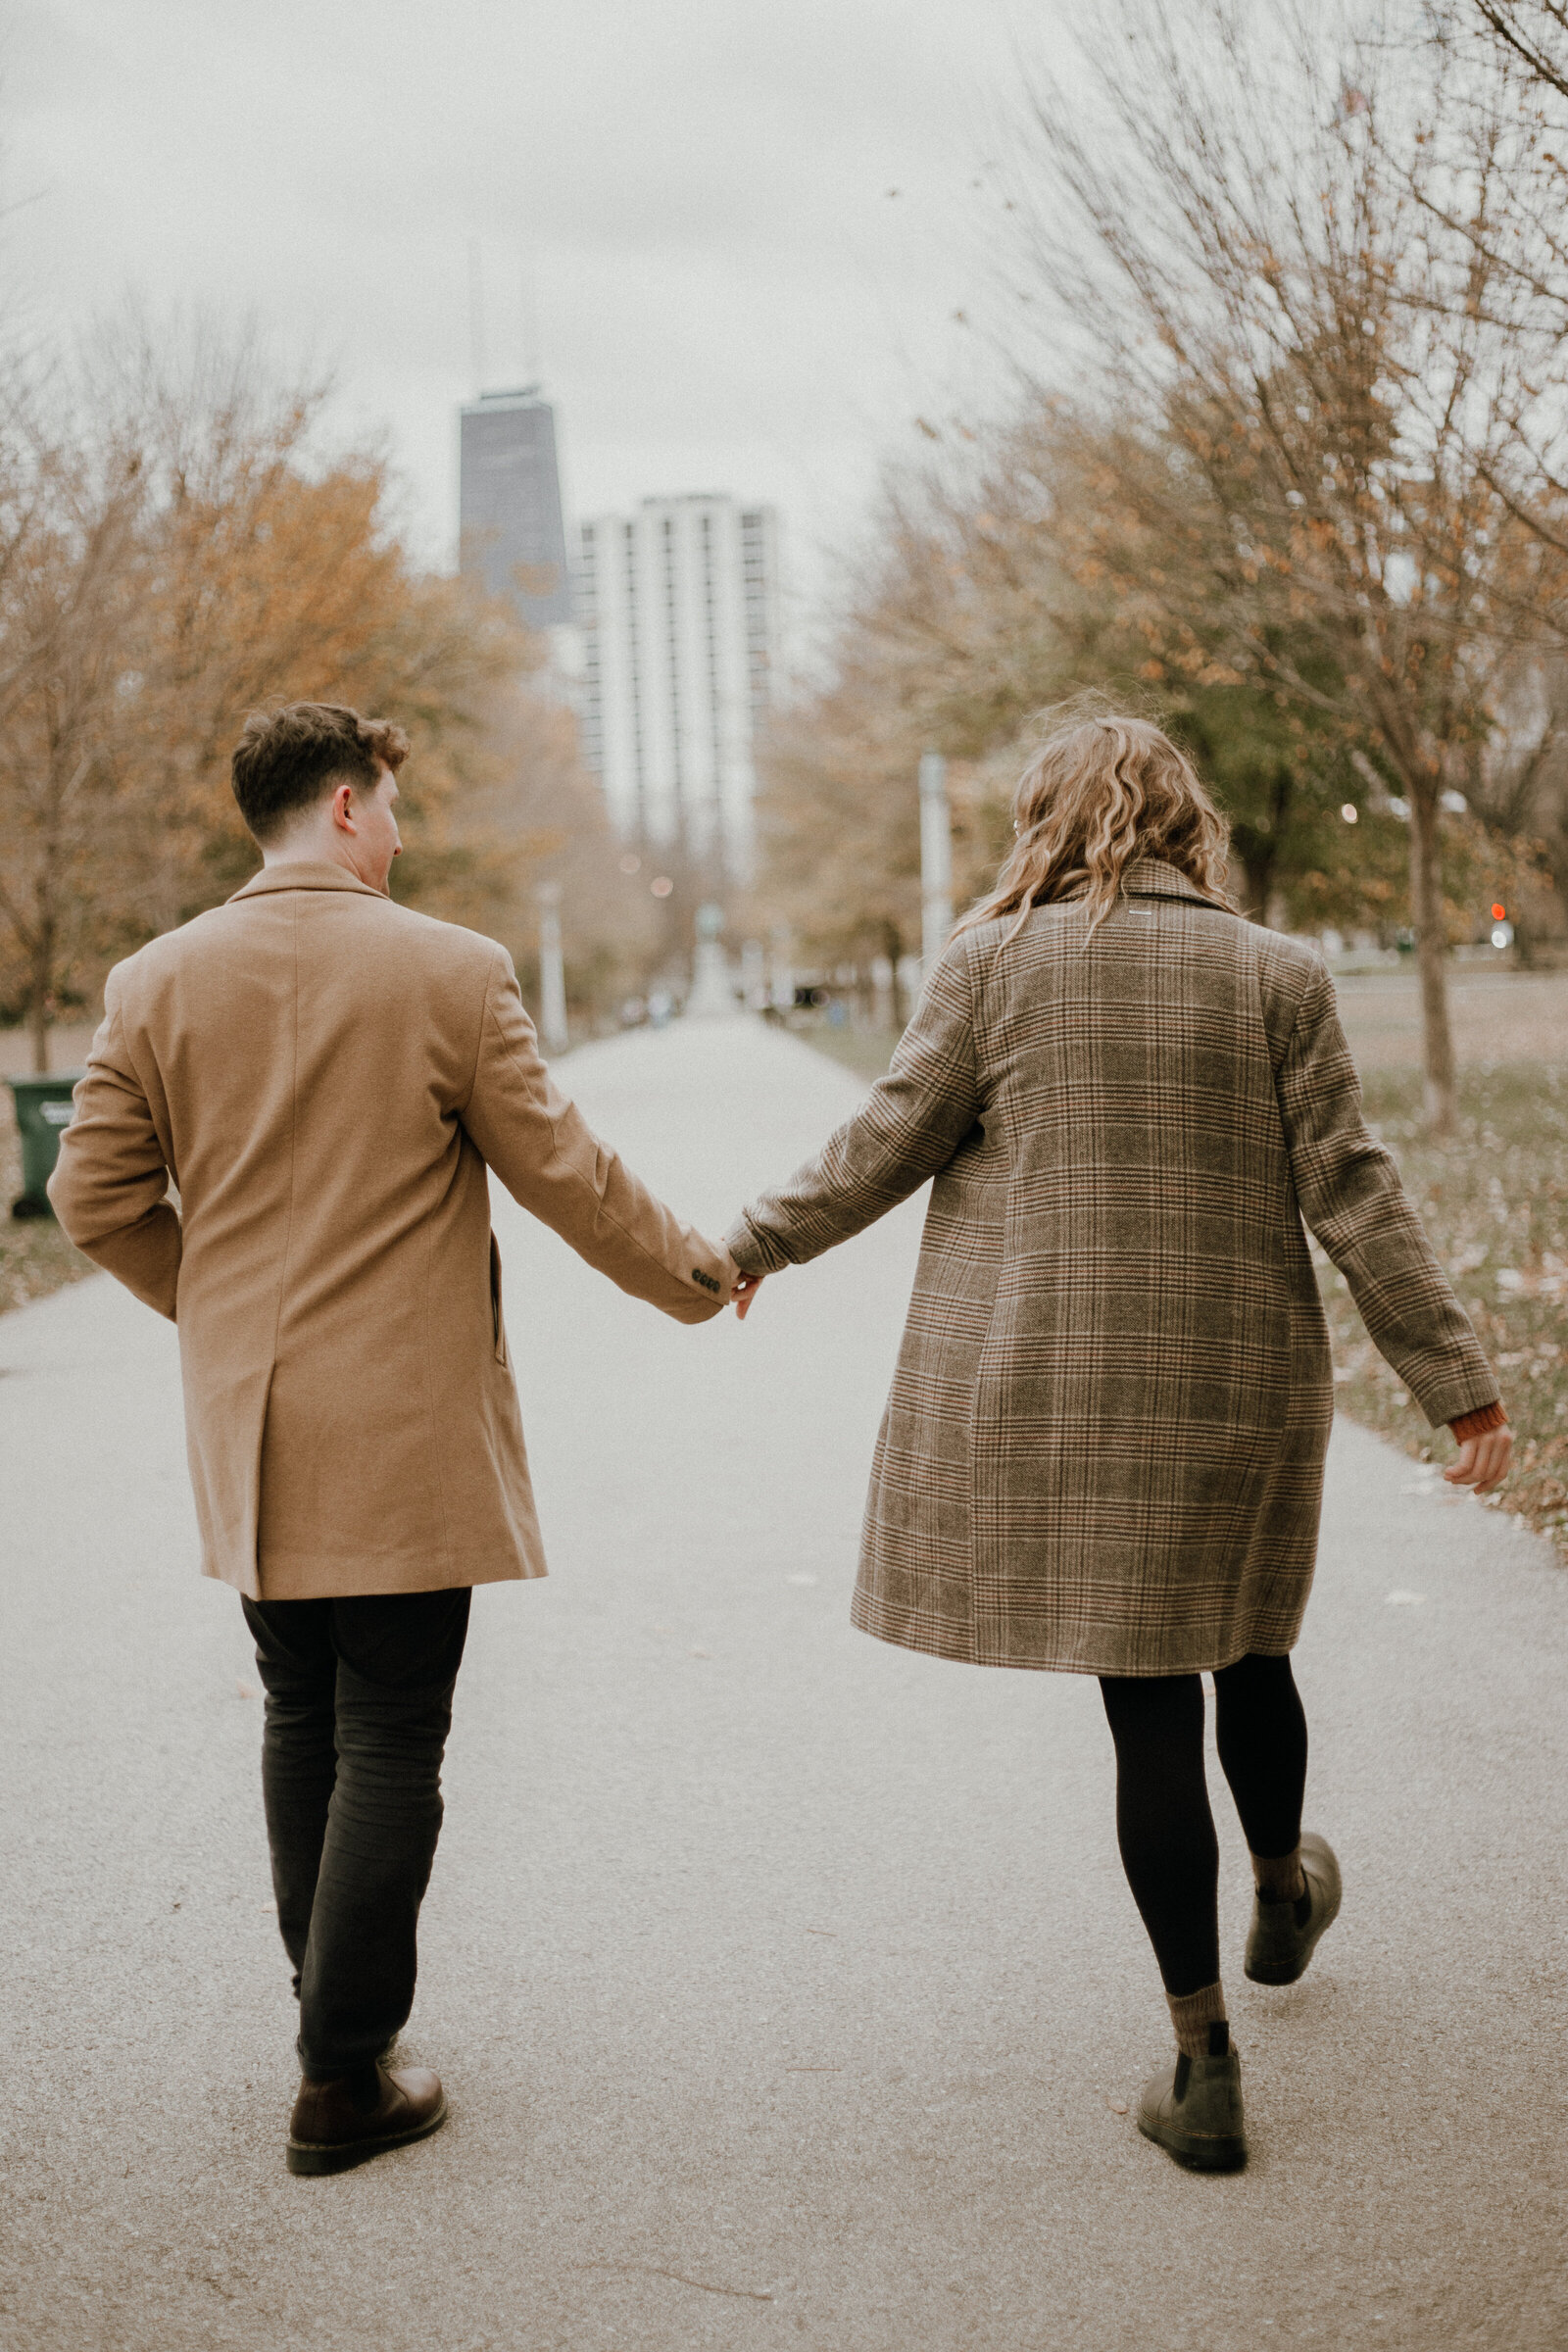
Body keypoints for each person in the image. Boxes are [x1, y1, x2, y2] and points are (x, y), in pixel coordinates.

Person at [724, 710, 1510, 2173]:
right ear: (1181, 819)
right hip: (1237, 1384)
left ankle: (1201, 2061)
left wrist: (750, 1244)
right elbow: (1355, 1191)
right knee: (1252, 1645)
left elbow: (884, 1143)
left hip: (1064, 1391)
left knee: (1147, 1706)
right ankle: (1281, 1888)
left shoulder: (993, 963)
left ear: (1045, 817)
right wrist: (1454, 1379)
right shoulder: (1273, 973)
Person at [48, 700, 739, 2177]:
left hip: (255, 1430)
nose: (404, 836)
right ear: (350, 807)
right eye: (396, 809)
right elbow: (568, 1174)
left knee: (303, 1714)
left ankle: (332, 2022)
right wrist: (699, 1276)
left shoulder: (154, 981)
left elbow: (93, 1199)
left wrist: (222, 1320)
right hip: (406, 1433)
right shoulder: (450, 971)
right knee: (393, 1733)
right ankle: (342, 2072)